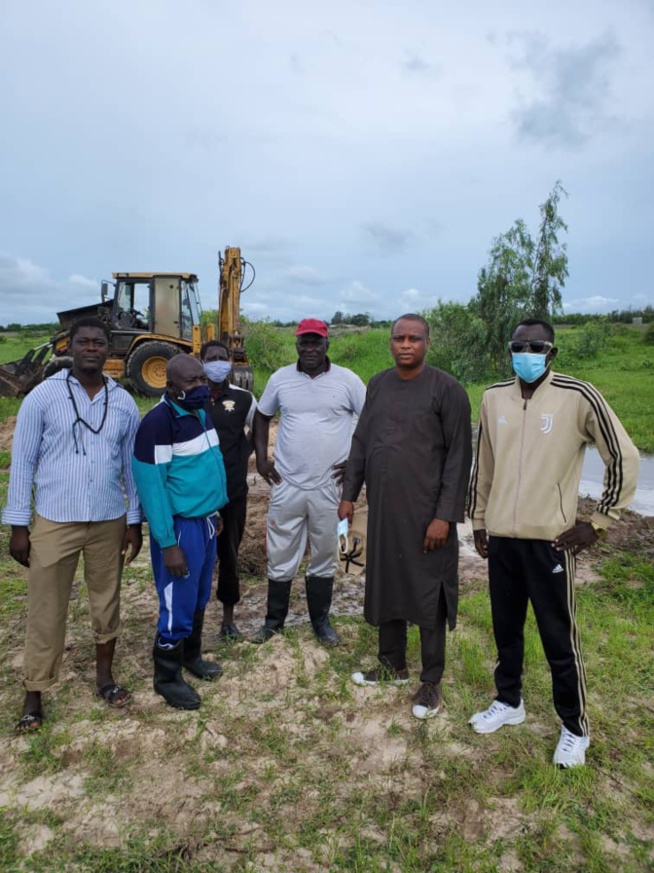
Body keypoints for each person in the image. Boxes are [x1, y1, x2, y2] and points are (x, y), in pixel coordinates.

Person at [468, 318, 640, 767]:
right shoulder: (492, 397)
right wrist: (480, 520)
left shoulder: (578, 396)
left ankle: (575, 726)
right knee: (505, 630)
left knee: (558, 637)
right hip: (503, 539)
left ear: (552, 352)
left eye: (535, 346)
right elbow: (483, 464)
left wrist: (598, 521)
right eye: (518, 346)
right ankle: (509, 702)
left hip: (550, 543)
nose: (525, 353)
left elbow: (623, 455)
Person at [2, 316, 142, 732]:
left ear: (109, 349)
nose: (92, 348)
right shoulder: (42, 397)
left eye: (99, 342)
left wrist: (134, 521)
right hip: (54, 520)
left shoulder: (123, 402)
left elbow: (131, 468)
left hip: (108, 519)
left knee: (107, 601)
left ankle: (105, 678)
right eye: (84, 342)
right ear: (70, 346)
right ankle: (34, 693)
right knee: (46, 607)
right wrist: (18, 526)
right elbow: (23, 462)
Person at [339, 314, 472, 719]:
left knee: (430, 593)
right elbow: (361, 442)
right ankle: (391, 664)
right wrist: (349, 495)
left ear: (427, 343)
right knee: (388, 583)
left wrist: (444, 517)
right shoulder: (377, 384)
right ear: (390, 342)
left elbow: (458, 459)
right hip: (383, 511)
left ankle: (430, 682)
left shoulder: (447, 389)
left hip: (427, 515)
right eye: (399, 337)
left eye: (415, 338)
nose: (406, 344)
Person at [252, 318, 366, 646]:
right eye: (305, 342)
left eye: (317, 342)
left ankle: (321, 622)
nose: (310, 348)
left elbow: (371, 419)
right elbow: (262, 415)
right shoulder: (281, 379)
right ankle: (273, 621)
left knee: (326, 552)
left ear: (328, 344)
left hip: (330, 486)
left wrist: (358, 464)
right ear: (296, 344)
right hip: (287, 483)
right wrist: (262, 459)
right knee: (280, 551)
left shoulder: (348, 381)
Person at [132, 354, 228, 709]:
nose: (201, 386)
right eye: (192, 382)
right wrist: (168, 543)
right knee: (177, 600)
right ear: (170, 386)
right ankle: (167, 677)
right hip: (180, 528)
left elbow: (202, 469)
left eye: (203, 379)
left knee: (200, 593)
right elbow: (152, 488)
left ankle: (192, 655)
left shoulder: (199, 414)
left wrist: (213, 512)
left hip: (204, 521)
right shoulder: (158, 423)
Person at [200, 340, 257, 641]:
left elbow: (258, 427)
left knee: (229, 555)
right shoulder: (187, 397)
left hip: (233, 492)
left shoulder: (244, 399)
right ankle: (193, 618)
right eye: (212, 358)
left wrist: (246, 454)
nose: (218, 363)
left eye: (223, 358)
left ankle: (228, 619)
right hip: (196, 497)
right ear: (201, 361)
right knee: (196, 557)